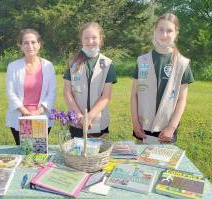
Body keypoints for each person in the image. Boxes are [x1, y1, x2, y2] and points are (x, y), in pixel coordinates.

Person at [131, 13, 194, 143]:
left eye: (169, 31)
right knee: (140, 162)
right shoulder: (142, 60)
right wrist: (136, 123)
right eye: (160, 30)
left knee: (163, 162)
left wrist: (171, 127)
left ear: (176, 33)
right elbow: (134, 95)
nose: (164, 35)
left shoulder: (182, 63)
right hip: (143, 128)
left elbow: (182, 100)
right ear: (154, 31)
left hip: (166, 130)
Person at [63, 22, 117, 138]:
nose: (90, 41)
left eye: (94, 37)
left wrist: (89, 117)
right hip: (76, 121)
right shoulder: (73, 63)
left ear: (101, 39)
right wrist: (79, 116)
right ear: (81, 40)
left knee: (97, 154)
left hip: (97, 122)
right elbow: (67, 93)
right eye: (86, 38)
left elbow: (106, 96)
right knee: (76, 154)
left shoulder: (108, 64)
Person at [6, 29, 56, 145]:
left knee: (38, 152)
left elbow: (52, 93)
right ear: (21, 46)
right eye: (26, 43)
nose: (30, 46)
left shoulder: (48, 66)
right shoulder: (13, 67)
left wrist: (38, 112)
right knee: (24, 151)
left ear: (39, 44)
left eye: (33, 42)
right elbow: (11, 93)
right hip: (20, 117)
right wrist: (26, 114)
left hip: (42, 117)